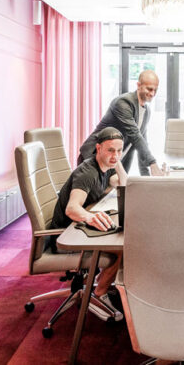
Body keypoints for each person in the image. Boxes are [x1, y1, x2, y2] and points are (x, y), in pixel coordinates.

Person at [49, 127, 127, 320]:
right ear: (98, 148)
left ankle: (101, 283)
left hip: (77, 231)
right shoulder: (88, 173)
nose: (115, 155)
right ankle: (98, 295)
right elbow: (72, 208)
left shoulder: (106, 167)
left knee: (120, 236)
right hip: (66, 236)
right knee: (121, 248)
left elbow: (124, 184)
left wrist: (117, 162)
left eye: (119, 151)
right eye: (110, 150)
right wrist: (91, 217)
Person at [78, 70, 166, 176]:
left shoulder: (146, 111)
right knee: (90, 192)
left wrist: (146, 176)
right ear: (139, 85)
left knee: (119, 190)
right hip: (94, 156)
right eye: (149, 89)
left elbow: (141, 142)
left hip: (113, 163)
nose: (152, 93)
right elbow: (135, 135)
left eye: (155, 90)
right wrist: (152, 163)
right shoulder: (123, 103)